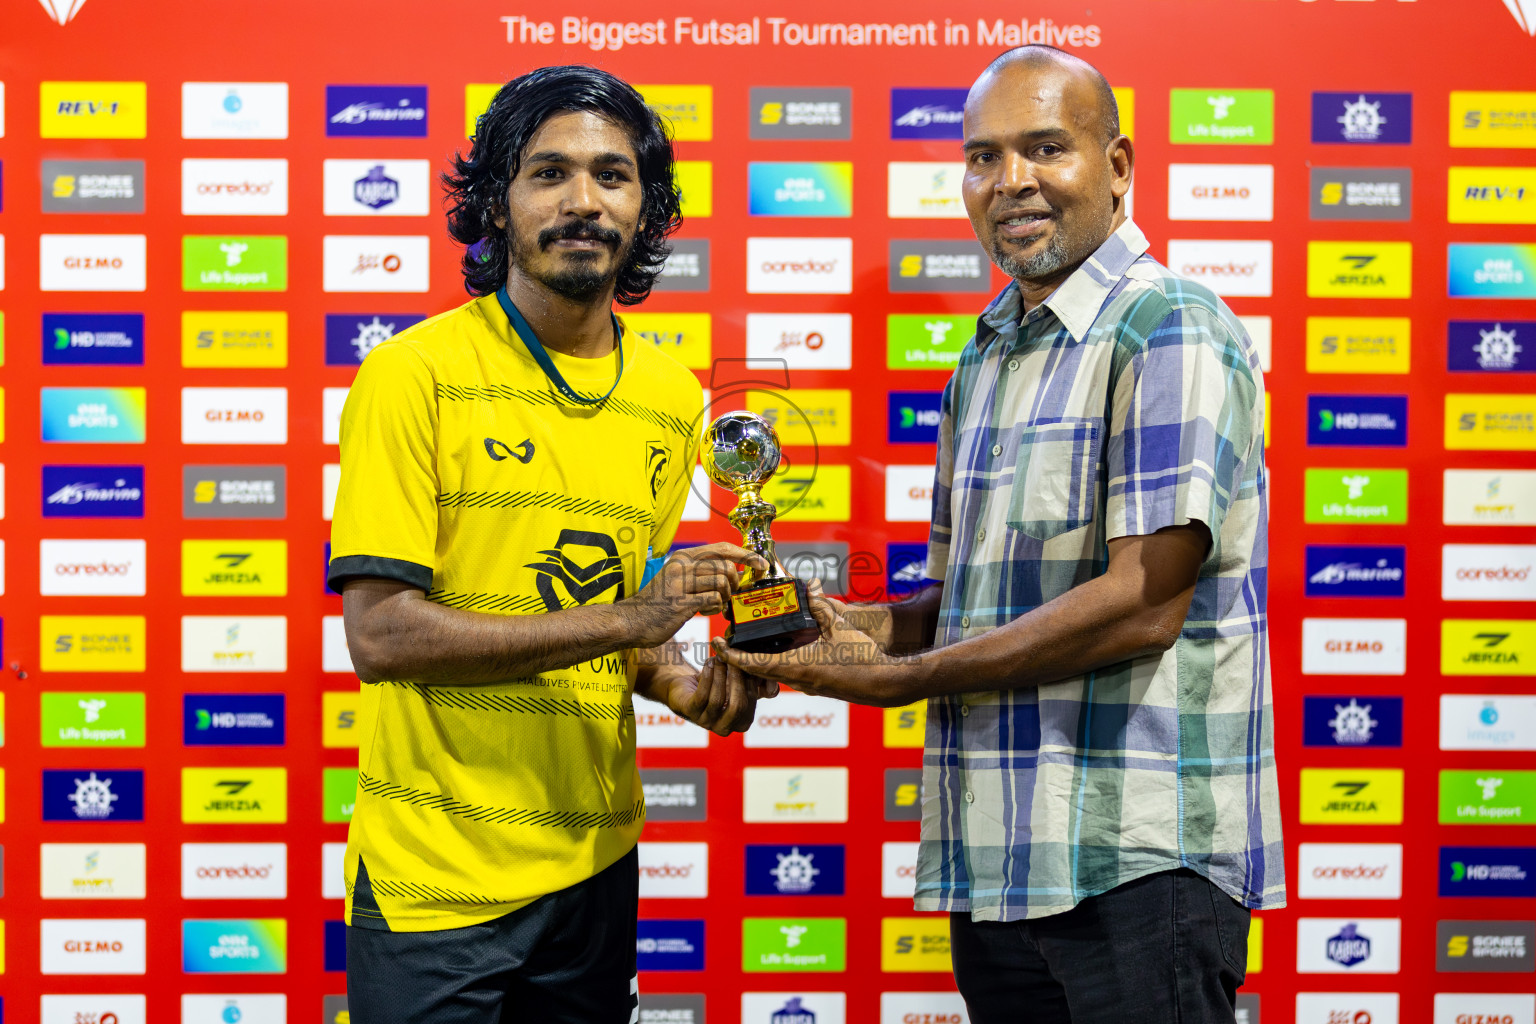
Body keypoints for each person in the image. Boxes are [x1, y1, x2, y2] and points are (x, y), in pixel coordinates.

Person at [716, 45, 1284, 1024]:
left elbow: (1145, 602)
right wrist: (833, 629)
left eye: (1045, 149)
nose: (1010, 181)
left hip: (1136, 867)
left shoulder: (1171, 327)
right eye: (984, 156)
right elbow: (961, 607)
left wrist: (899, 680)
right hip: (1000, 863)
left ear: (1117, 167)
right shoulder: (984, 358)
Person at [328, 65, 765, 1024]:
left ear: (647, 210)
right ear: (497, 198)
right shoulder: (413, 377)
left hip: (596, 871)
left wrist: (680, 680)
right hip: (434, 886)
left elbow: (624, 625)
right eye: (548, 173)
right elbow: (385, 638)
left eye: (613, 176)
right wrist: (637, 616)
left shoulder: (670, 396)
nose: (582, 201)